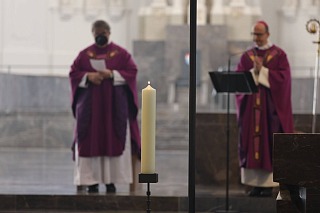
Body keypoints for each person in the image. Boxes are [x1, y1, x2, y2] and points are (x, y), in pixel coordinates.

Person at [69, 20, 141, 193]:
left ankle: (111, 181)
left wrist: (112, 74)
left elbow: (132, 71)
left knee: (113, 140)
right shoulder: (85, 55)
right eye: (96, 33)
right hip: (91, 110)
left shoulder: (121, 54)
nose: (100, 36)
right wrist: (88, 77)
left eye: (103, 32)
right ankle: (91, 181)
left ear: (109, 33)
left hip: (113, 108)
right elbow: (73, 73)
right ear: (92, 33)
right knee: (90, 140)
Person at [235, 20, 294, 197]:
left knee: (269, 145)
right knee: (251, 145)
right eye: (253, 34)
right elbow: (239, 80)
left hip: (271, 112)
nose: (256, 38)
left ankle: (268, 185)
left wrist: (263, 72)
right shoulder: (246, 56)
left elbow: (284, 80)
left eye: (259, 34)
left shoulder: (279, 55)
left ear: (268, 34)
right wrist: (254, 73)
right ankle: (255, 184)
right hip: (251, 113)